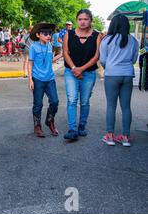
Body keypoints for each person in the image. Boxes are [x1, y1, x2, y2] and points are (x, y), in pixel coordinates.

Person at [63, 9, 102, 141]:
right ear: (76, 20)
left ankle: (82, 126)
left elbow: (97, 56)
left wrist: (81, 69)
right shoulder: (69, 34)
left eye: (85, 19)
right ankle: (72, 130)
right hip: (70, 72)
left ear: (90, 20)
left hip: (89, 73)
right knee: (72, 99)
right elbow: (65, 53)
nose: (82, 22)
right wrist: (74, 68)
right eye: (80, 19)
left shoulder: (97, 36)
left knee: (84, 101)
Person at [100, 14, 139, 147]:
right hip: (127, 75)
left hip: (111, 75)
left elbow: (103, 60)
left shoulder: (107, 40)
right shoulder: (133, 40)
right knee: (126, 107)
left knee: (111, 106)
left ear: (113, 25)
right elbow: (134, 60)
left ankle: (110, 136)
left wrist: (110, 67)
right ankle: (125, 137)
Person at [28, 23, 63, 137]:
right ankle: (37, 125)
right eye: (45, 34)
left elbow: (50, 60)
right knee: (38, 104)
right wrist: (30, 80)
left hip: (50, 78)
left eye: (50, 34)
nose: (48, 36)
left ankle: (50, 120)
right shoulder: (34, 47)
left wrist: (62, 55)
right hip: (37, 79)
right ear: (38, 35)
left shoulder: (49, 45)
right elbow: (30, 64)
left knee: (55, 101)